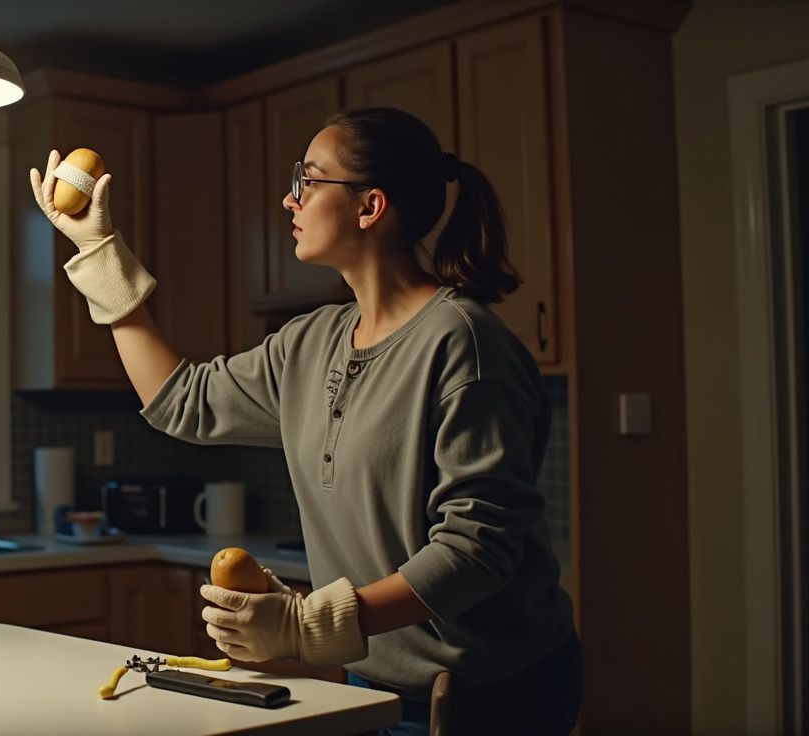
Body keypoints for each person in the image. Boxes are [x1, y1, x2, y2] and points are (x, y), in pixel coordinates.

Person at [29, 107, 582, 735]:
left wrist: (305, 624)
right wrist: (98, 251)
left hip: (489, 695)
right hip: (372, 680)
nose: (289, 197)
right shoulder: (310, 342)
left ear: (369, 206)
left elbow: (477, 550)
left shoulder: (464, 344)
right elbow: (183, 400)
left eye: (310, 179)